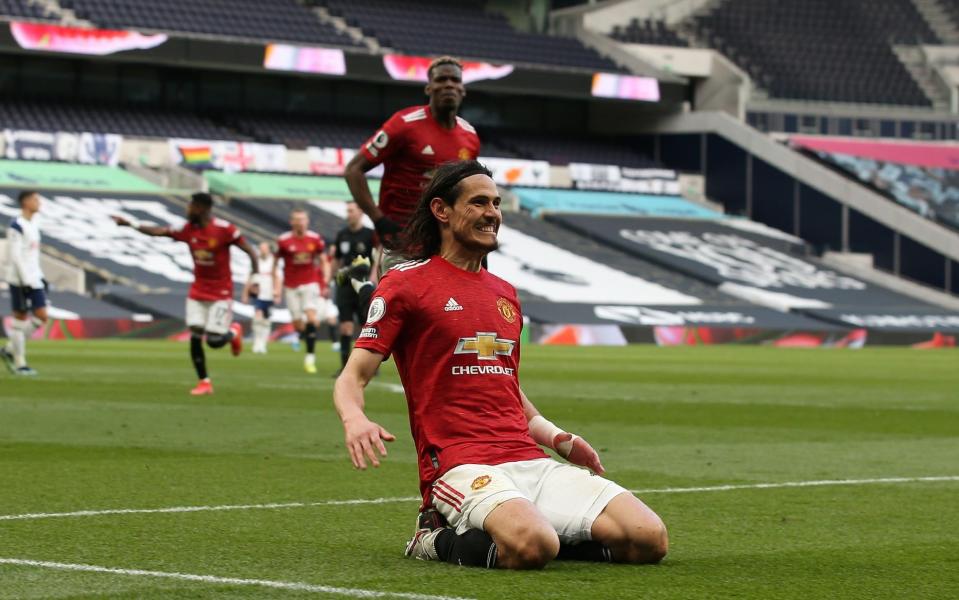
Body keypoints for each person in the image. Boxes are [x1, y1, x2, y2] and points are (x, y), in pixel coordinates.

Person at [333, 161, 668, 570]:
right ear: (442, 211)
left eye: (495, 203)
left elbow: (505, 383)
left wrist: (558, 437)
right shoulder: (406, 285)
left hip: (528, 458)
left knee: (647, 539)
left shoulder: (505, 294)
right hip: (460, 462)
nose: (492, 212)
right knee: (530, 546)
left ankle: (538, 530)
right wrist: (355, 420)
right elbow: (353, 376)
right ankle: (432, 535)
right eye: (478, 203)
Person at [344, 55, 480, 273]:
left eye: (454, 80)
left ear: (463, 89)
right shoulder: (404, 124)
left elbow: (469, 192)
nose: (448, 85)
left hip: (446, 247)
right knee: (398, 307)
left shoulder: (470, 136)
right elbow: (353, 170)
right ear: (429, 88)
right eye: (441, 79)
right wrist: (378, 220)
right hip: (402, 244)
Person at [113, 192, 257, 395]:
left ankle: (234, 332)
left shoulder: (225, 230)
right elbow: (159, 231)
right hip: (198, 290)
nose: (188, 209)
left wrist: (256, 277)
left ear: (202, 208)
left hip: (221, 292)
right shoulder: (187, 229)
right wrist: (131, 225)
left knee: (215, 341)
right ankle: (204, 382)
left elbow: (249, 250)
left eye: (191, 206)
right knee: (196, 334)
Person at [274, 208, 329, 374]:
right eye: (297, 219)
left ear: (307, 221)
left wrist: (325, 280)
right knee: (298, 325)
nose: (300, 222)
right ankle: (306, 333)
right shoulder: (283, 241)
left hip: (309, 283)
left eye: (302, 219)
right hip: (290, 286)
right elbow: (275, 264)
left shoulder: (315, 239)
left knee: (311, 319)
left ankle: (310, 358)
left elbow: (323, 260)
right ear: (292, 222)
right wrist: (276, 287)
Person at [2, 190, 48, 376]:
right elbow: (15, 256)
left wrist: (38, 276)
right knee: (20, 321)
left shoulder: (34, 224)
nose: (39, 203)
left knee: (41, 317)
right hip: (20, 280)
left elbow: (32, 255)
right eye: (36, 199)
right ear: (26, 202)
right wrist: (25, 279)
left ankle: (9, 348)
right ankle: (20, 364)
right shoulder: (16, 225)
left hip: (35, 278)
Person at [330, 201, 379, 375]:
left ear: (360, 213)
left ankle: (370, 366)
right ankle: (344, 366)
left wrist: (373, 277)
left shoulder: (370, 235)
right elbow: (336, 259)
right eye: (347, 210)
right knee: (345, 326)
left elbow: (378, 256)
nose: (348, 213)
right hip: (344, 285)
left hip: (363, 284)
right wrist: (332, 277)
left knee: (366, 325)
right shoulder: (342, 234)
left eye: (351, 210)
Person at [241, 241, 278, 354]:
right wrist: (245, 293)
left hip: (269, 293)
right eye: (260, 248)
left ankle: (263, 343)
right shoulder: (255, 261)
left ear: (268, 249)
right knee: (258, 316)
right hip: (258, 293)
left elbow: (277, 277)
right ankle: (257, 342)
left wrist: (277, 292)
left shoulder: (273, 261)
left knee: (266, 320)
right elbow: (249, 278)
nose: (262, 250)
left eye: (264, 248)